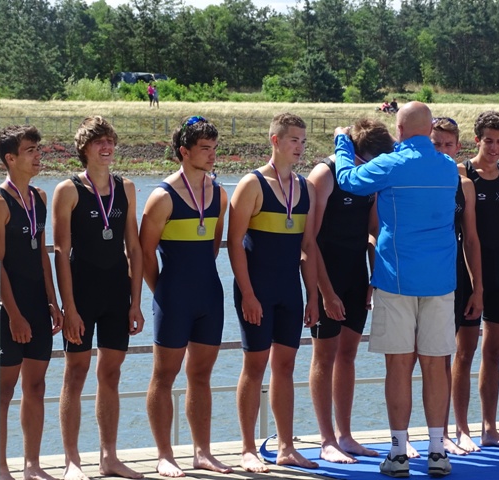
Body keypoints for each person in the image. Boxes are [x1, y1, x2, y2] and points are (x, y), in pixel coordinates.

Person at [336, 101, 458, 477]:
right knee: (435, 365)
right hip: (440, 280)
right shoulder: (448, 167)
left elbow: (349, 180)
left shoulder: (392, 164)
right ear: (430, 129)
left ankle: (399, 453)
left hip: (397, 277)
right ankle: (437, 451)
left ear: (399, 130)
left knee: (399, 365)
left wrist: (342, 142)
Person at [52, 116, 145, 480]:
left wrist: (135, 302)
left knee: (111, 373)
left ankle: (109, 457)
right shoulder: (69, 190)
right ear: (84, 149)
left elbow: (134, 248)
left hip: (116, 294)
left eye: (110, 141)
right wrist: (69, 307)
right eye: (98, 142)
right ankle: (72, 461)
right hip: (82, 294)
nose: (106, 148)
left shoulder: (127, 187)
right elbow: (61, 252)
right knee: (75, 374)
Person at [139, 116, 232, 477]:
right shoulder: (162, 197)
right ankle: (165, 455)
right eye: (204, 149)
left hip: (209, 294)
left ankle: (202, 452)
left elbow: (214, 245)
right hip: (173, 296)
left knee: (202, 376)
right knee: (164, 376)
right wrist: (163, 292)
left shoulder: (219, 193)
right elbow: (145, 254)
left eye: (214, 148)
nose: (212, 155)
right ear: (184, 151)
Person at [228, 112, 319, 473]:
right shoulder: (251, 184)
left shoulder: (306, 188)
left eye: (303, 141)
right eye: (293, 140)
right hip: (257, 290)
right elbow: (235, 243)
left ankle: (286, 447)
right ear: (275, 141)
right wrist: (248, 294)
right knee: (254, 365)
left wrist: (313, 296)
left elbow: (308, 246)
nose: (300, 147)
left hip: (289, 291)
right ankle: (248, 448)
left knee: (286, 366)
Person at [0, 125, 63, 480]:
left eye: (38, 149)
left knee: (36, 386)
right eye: (31, 150)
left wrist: (53, 301)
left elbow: (42, 254)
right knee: (3, 389)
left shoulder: (40, 197)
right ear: (11, 158)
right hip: (8, 309)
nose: (38, 155)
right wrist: (14, 315)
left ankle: (32, 465)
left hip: (37, 305)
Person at [308, 118, 392, 463]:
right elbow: (309, 241)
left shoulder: (370, 179)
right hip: (326, 274)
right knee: (324, 356)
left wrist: (375, 276)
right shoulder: (325, 175)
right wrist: (326, 293)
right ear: (357, 152)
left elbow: (373, 229)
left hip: (357, 274)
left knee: (348, 355)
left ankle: (345, 435)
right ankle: (326, 439)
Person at [455, 111, 499, 451]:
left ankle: (490, 428)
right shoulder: (462, 173)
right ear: (477, 140)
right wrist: (475, 283)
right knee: (464, 352)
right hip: (468, 272)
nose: (494, 147)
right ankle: (461, 429)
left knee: (494, 352)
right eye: (489, 141)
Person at [430, 117, 483, 456]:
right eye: (436, 144)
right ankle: (429, 433)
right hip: (427, 276)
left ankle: (453, 430)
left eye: (448, 145)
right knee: (426, 357)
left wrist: (478, 288)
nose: (442, 150)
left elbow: (471, 239)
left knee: (455, 353)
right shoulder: (417, 180)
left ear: (458, 147)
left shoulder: (464, 185)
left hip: (457, 276)